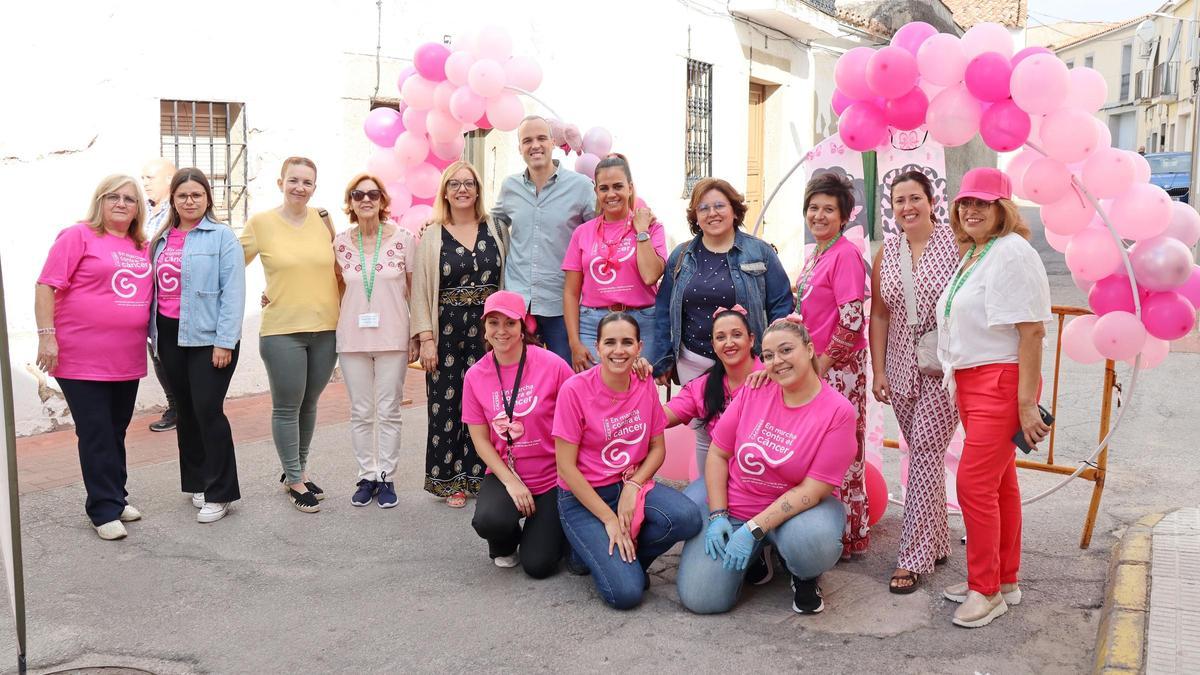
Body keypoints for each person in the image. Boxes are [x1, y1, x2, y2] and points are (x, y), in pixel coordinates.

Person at [675, 317, 855, 615]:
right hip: (739, 505)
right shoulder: (754, 389)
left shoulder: (838, 411)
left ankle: (802, 573)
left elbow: (814, 488)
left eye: (786, 350)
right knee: (701, 599)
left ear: (809, 350)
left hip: (797, 512)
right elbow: (719, 454)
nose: (777, 361)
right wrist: (718, 515)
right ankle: (757, 556)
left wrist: (754, 529)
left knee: (813, 544)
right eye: (769, 355)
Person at [935, 167, 1052, 628]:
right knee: (1000, 486)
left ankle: (986, 590)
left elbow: (1032, 330)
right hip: (973, 380)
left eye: (982, 203)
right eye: (965, 202)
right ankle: (1003, 580)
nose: (970, 210)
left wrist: (1026, 404)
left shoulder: (1012, 251)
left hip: (1001, 382)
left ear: (1004, 208)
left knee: (973, 486)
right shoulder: (980, 252)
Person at [552, 312, 703, 610]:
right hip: (584, 497)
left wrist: (633, 486)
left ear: (639, 347)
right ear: (597, 348)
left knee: (688, 517)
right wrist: (609, 519)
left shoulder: (644, 382)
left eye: (626, 342)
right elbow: (566, 468)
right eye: (610, 342)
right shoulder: (575, 390)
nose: (618, 350)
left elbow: (657, 448)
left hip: (629, 484)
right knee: (627, 593)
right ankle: (589, 553)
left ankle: (624, 556)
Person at [35, 175, 152, 540]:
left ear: (138, 208)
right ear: (99, 202)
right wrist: (46, 337)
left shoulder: (142, 245)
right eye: (113, 197)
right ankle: (102, 510)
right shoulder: (78, 235)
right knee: (97, 432)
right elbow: (46, 285)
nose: (121, 203)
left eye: (129, 199)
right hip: (80, 355)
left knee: (116, 431)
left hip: (126, 356)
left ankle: (116, 497)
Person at [869, 171, 963, 593]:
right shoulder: (886, 252)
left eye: (915, 199)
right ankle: (937, 538)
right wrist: (880, 370)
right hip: (902, 364)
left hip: (946, 365)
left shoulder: (957, 244)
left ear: (932, 201)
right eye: (899, 200)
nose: (907, 207)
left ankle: (913, 556)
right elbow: (880, 315)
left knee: (925, 449)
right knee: (922, 452)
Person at [241, 157, 340, 513]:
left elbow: (340, 267)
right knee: (287, 406)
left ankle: (294, 469)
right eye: (293, 180)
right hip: (283, 330)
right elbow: (232, 264)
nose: (300, 187)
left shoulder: (323, 219)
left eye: (307, 182)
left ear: (315, 187)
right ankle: (296, 479)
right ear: (280, 182)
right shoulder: (261, 223)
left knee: (310, 403)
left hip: (326, 328)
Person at [149, 169, 246, 523]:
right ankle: (199, 482)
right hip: (169, 334)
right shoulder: (160, 239)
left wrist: (225, 342)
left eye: (196, 195)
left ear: (207, 199)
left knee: (208, 409)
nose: (189, 202)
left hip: (209, 338)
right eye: (182, 196)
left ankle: (221, 492)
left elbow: (233, 294)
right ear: (173, 200)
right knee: (186, 411)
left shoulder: (222, 237)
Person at [412, 160, 508, 507]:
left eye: (469, 183)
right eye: (454, 184)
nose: (462, 189)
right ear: (445, 192)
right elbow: (421, 291)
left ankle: (484, 473)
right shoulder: (433, 234)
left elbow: (507, 278)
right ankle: (451, 480)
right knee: (446, 406)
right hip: (447, 331)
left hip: (489, 333)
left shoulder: (496, 228)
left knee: (488, 405)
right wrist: (426, 339)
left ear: (479, 190)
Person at [463, 291, 574, 576]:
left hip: (552, 477)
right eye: (493, 323)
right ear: (484, 328)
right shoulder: (476, 376)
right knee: (489, 521)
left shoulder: (552, 364)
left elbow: (582, 404)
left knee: (538, 565)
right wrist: (511, 483)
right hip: (506, 472)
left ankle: (548, 531)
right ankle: (507, 539)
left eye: (510, 323)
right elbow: (480, 440)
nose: (502, 331)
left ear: (523, 326)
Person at [652, 177, 792, 387]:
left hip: (748, 366)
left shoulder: (760, 252)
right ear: (696, 217)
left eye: (719, 206)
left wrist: (774, 355)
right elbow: (663, 310)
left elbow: (781, 305)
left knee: (745, 420)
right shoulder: (681, 256)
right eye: (703, 208)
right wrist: (663, 359)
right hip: (693, 363)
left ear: (735, 211)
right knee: (697, 419)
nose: (712, 213)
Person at [794, 172, 870, 559]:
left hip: (838, 370)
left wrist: (821, 365)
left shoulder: (845, 254)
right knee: (818, 451)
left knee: (841, 451)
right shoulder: (818, 253)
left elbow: (852, 319)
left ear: (844, 217)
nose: (819, 215)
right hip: (817, 368)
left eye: (828, 209)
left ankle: (846, 533)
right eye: (813, 208)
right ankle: (820, 529)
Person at [334, 173, 416, 508]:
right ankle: (367, 474)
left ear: (382, 200)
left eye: (372, 194)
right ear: (350, 202)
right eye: (358, 194)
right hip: (351, 337)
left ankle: (386, 477)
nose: (365, 199)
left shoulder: (405, 239)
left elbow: (414, 290)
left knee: (389, 410)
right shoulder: (339, 242)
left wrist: (417, 334)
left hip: (393, 336)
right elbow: (335, 289)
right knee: (361, 411)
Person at [491, 115, 596, 362]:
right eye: (527, 140)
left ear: (552, 143)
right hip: (518, 305)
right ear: (520, 148)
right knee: (521, 379)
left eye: (541, 138)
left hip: (561, 304)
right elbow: (488, 223)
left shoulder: (581, 187)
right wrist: (440, 222)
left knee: (566, 378)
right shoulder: (510, 187)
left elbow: (599, 232)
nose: (535, 145)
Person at [562, 155, 666, 371]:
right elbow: (571, 293)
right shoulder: (582, 232)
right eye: (604, 188)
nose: (611, 194)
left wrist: (642, 232)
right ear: (596, 192)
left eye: (618, 186)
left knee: (638, 391)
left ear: (630, 188)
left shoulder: (652, 228)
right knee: (596, 394)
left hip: (641, 323)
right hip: (593, 324)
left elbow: (650, 276)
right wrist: (574, 343)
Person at [664, 306, 761, 482]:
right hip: (721, 478)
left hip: (766, 479)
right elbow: (661, 417)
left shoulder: (774, 378)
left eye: (737, 335)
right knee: (689, 508)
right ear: (714, 346)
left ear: (751, 339)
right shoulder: (704, 385)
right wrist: (633, 383)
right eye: (721, 337)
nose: (729, 343)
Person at [141, 157, 179, 432]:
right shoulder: (142, 211)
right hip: (143, 296)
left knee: (171, 353)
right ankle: (175, 404)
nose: (144, 184)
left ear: (169, 178)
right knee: (157, 354)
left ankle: (181, 406)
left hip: (170, 297)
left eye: (149, 178)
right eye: (143, 178)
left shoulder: (177, 210)